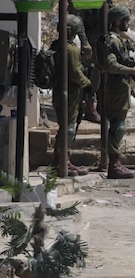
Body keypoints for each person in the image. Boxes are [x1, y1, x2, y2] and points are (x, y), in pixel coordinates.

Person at [101, 6, 135, 179]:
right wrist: (130, 71)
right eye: (125, 20)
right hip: (116, 87)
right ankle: (114, 164)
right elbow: (110, 65)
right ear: (117, 21)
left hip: (121, 86)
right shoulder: (112, 41)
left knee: (119, 125)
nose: (128, 23)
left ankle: (115, 162)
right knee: (118, 126)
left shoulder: (119, 40)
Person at [51, 14, 90, 177]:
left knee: (64, 126)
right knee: (70, 127)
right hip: (71, 92)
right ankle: (62, 163)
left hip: (58, 91)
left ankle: (62, 161)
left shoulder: (56, 45)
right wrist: (88, 83)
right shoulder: (71, 49)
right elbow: (75, 73)